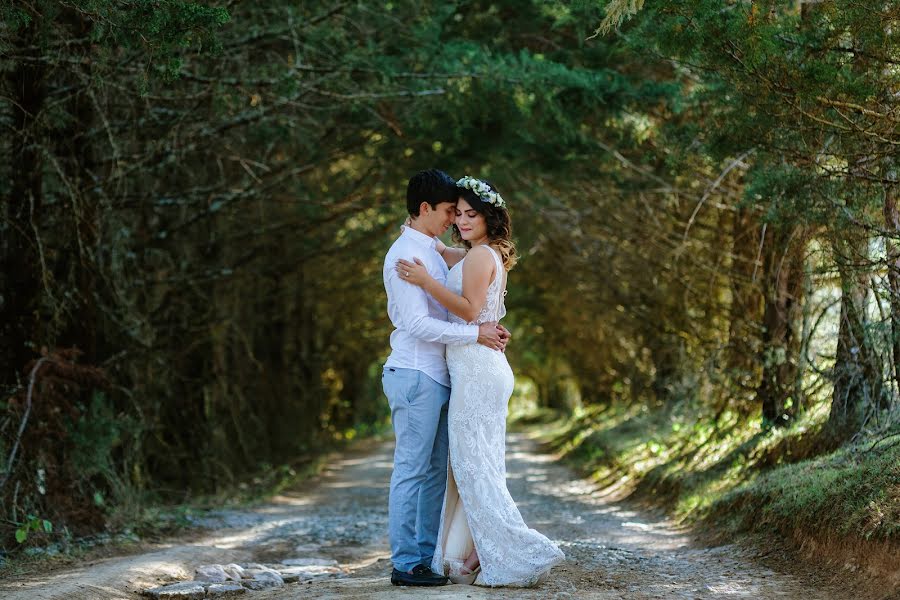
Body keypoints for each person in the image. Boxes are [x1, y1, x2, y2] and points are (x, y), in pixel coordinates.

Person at [396, 175, 564, 587]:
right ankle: (475, 552)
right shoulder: (478, 254)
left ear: (490, 217)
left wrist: (426, 282)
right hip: (479, 367)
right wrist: (417, 236)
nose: (464, 221)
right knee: (478, 466)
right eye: (459, 214)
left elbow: (471, 312)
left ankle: (511, 549)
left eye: (473, 214)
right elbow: (442, 250)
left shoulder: (478, 257)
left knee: (473, 468)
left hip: (475, 369)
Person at [382, 169, 510, 587]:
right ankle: (405, 563)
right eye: (450, 211)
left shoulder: (435, 252)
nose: (455, 219)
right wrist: (477, 332)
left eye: (464, 212)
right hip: (416, 372)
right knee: (412, 469)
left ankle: (424, 558)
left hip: (443, 375)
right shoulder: (406, 255)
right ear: (425, 209)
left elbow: (467, 297)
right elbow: (418, 323)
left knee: (436, 471)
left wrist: (485, 325)